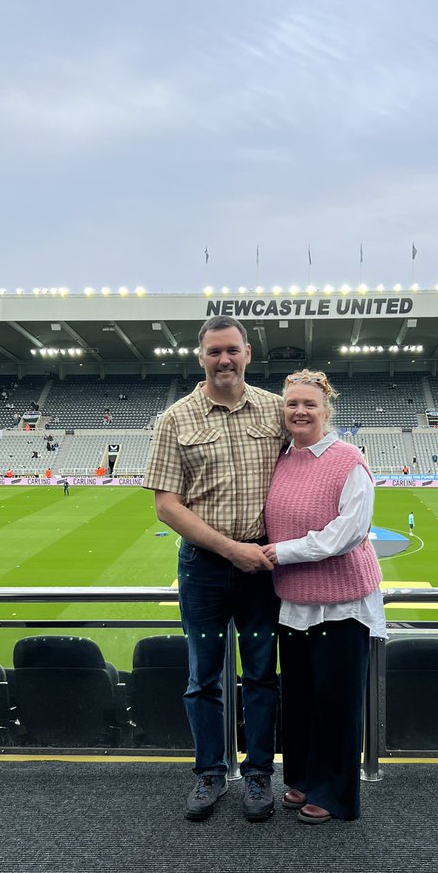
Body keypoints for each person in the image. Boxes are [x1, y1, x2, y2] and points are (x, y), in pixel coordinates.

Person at [143, 317, 284, 822]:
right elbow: (167, 506)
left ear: (248, 353)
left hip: (263, 568)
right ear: (199, 356)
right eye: (213, 352)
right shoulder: (175, 419)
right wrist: (230, 550)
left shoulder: (276, 410)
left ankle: (260, 775)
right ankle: (210, 773)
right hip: (204, 568)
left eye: (232, 350)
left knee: (263, 674)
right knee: (203, 675)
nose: (223, 360)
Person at [261, 370, 386, 824]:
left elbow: (349, 532)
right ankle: (300, 778)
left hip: (342, 599)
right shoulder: (282, 458)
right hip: (294, 600)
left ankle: (334, 794)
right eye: (292, 403)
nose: (299, 411)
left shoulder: (347, 457)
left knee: (335, 700)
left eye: (309, 404)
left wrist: (283, 552)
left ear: (325, 410)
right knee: (298, 698)